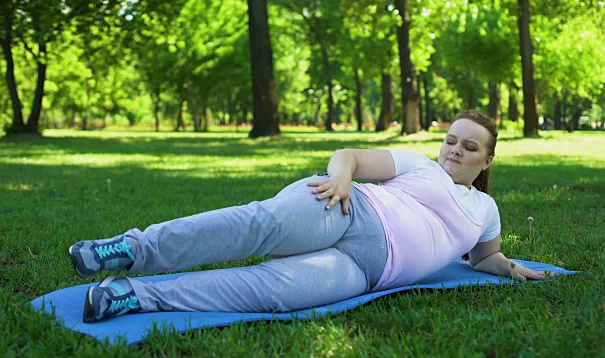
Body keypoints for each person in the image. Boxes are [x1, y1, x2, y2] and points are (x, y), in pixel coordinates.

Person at [69, 109, 554, 323]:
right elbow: (350, 155)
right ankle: (133, 249)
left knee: (270, 291)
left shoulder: (485, 210)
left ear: (486, 161)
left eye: (469, 147)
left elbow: (484, 256)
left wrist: (510, 268)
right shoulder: (419, 164)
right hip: (347, 209)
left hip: (365, 272)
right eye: (451, 139)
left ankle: (132, 296)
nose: (455, 150)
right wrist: (342, 178)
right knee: (259, 226)